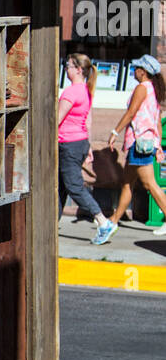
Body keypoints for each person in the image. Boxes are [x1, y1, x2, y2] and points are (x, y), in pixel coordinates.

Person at [96, 53, 166, 244]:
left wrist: (114, 131)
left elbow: (131, 112)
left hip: (139, 143)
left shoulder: (142, 88)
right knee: (128, 184)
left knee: (149, 184)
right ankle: (114, 220)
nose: (134, 71)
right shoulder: (153, 89)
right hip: (146, 142)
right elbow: (157, 120)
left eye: (136, 68)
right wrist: (157, 144)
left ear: (143, 72)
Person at [58, 53, 114, 243]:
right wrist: (88, 145)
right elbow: (87, 121)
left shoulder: (70, 93)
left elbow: (56, 120)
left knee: (73, 186)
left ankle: (103, 221)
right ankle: (50, 225)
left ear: (78, 70)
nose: (66, 68)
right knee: (61, 187)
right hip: (79, 142)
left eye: (69, 66)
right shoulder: (86, 90)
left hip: (68, 144)